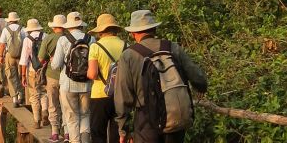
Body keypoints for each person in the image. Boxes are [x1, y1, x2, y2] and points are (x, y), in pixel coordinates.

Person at [115, 10, 208, 143]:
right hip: (174, 116)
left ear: (133, 33)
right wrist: (201, 87)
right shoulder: (172, 47)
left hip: (146, 121)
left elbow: (123, 96)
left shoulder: (129, 55)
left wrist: (123, 129)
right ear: (155, 29)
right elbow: (197, 76)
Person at [51, 12, 94, 143]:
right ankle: (85, 138)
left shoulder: (63, 40)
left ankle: (75, 141)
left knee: (72, 116)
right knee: (85, 113)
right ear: (81, 25)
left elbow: (56, 65)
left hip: (68, 83)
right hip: (86, 83)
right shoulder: (91, 39)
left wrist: (53, 60)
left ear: (68, 26)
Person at [87, 13, 126, 143]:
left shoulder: (95, 47)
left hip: (99, 95)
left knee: (98, 132)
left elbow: (92, 74)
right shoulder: (126, 46)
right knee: (118, 133)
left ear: (100, 31)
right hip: (120, 95)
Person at [38, 14, 69, 143]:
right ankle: (67, 133)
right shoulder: (69, 38)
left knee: (53, 104)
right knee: (66, 105)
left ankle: (55, 133)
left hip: (52, 75)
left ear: (54, 27)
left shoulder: (49, 38)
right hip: (67, 76)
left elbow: (40, 59)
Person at [19, 18, 48, 128]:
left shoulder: (27, 39)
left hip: (32, 70)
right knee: (44, 92)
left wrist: (23, 76)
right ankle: (45, 110)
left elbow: (24, 59)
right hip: (45, 69)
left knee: (34, 95)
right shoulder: (45, 36)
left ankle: (36, 121)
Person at [0, 11, 26, 107]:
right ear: (17, 20)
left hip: (9, 56)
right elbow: (26, 43)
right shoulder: (23, 29)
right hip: (21, 56)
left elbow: (2, 45)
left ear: (9, 21)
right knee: (20, 76)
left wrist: (1, 56)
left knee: (11, 76)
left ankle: (14, 98)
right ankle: (21, 96)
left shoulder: (6, 30)